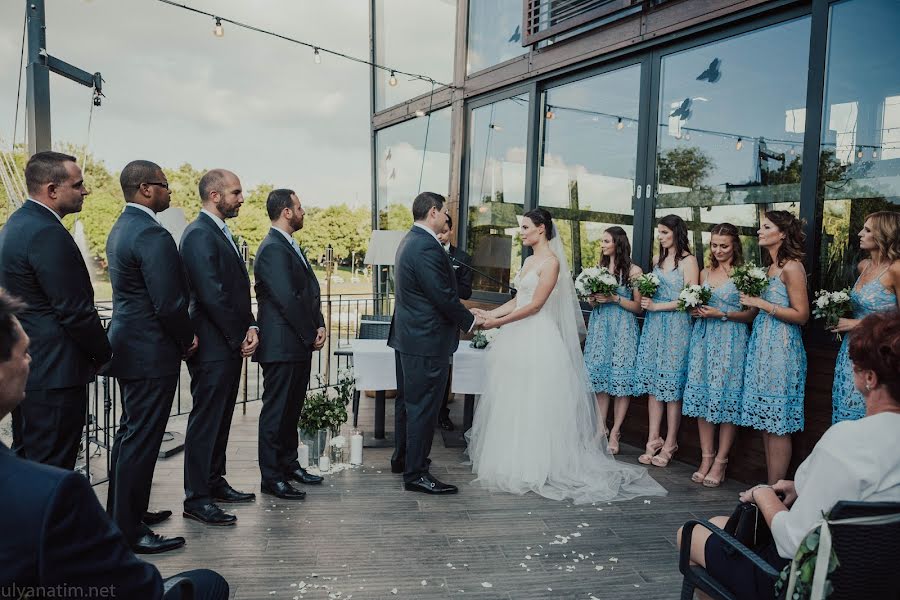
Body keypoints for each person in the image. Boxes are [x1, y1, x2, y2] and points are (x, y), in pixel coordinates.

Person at [0, 290, 229, 600]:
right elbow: (133, 589)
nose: (29, 361)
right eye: (25, 352)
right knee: (210, 583)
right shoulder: (54, 494)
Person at [679, 310, 900, 600]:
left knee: (689, 534)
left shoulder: (846, 440)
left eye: (854, 365)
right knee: (720, 526)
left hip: (805, 584)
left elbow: (793, 542)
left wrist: (763, 494)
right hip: (880, 582)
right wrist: (800, 487)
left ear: (869, 378)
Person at [466, 208, 666, 503]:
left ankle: (539, 465)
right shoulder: (530, 260)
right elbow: (517, 300)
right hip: (517, 337)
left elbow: (534, 306)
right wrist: (488, 313)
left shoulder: (552, 263)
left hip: (539, 337)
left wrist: (495, 323)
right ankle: (512, 461)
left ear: (541, 229)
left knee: (537, 401)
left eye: (524, 227)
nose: (520, 232)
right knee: (515, 398)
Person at [104, 160, 197, 554]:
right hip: (150, 349)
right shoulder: (151, 234)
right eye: (164, 184)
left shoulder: (121, 227)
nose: (170, 190)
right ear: (145, 189)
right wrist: (187, 337)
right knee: (142, 438)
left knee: (130, 434)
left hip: (129, 346)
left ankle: (125, 514)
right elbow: (169, 302)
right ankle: (128, 531)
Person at [0, 151, 111, 469]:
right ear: (51, 189)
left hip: (32, 370)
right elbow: (75, 311)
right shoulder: (47, 233)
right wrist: (104, 354)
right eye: (78, 185)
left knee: (28, 463)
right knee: (53, 466)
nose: (85, 191)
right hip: (55, 375)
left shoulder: (16, 225)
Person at [180, 169, 258, 525]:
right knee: (206, 420)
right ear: (214, 195)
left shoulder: (220, 232)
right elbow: (212, 294)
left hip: (225, 341)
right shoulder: (198, 234)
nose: (241, 198)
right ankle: (196, 498)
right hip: (212, 344)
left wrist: (251, 324)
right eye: (236, 192)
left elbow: (238, 290)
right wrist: (238, 333)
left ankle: (213, 481)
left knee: (222, 417)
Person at [388, 192, 481, 495]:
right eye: (443, 212)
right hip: (425, 341)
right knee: (422, 408)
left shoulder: (410, 240)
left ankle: (405, 459)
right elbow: (442, 295)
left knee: (409, 404)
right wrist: (470, 321)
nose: (445, 218)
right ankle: (416, 474)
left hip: (410, 338)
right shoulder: (426, 246)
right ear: (432, 212)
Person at [253, 189, 326, 500]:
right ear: (286, 211)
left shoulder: (290, 246)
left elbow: (308, 291)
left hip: (297, 343)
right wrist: (310, 333)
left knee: (292, 410)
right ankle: (271, 476)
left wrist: (320, 322)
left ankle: (289, 464)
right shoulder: (271, 249)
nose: (303, 211)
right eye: (299, 207)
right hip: (282, 344)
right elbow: (287, 299)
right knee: (276, 412)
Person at [682, 223, 756, 487]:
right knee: (703, 397)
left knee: (726, 399)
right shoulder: (704, 272)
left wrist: (722, 314)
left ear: (735, 245)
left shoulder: (744, 274)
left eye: (724, 245)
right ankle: (706, 456)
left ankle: (721, 461)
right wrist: (695, 309)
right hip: (703, 339)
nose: (718, 250)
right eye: (714, 245)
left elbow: (751, 314)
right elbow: (697, 302)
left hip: (731, 340)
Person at [738, 210, 809, 484]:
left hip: (782, 348)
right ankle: (769, 487)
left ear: (781, 233)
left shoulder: (792, 267)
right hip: (761, 346)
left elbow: (801, 315)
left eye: (765, 226)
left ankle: (775, 492)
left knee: (778, 424)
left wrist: (762, 303)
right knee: (767, 421)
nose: (759, 231)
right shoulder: (770, 268)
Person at [632, 214, 700, 467]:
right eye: (658, 233)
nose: (660, 237)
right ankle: (653, 438)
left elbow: (690, 298)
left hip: (677, 327)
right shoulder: (656, 260)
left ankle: (670, 442)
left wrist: (658, 306)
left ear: (676, 233)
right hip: (654, 327)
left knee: (671, 387)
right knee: (653, 384)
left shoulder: (688, 261)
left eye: (664, 233)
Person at [830, 211, 900, 423]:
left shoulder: (896, 269)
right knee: (845, 413)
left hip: (880, 352)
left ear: (884, 235)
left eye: (867, 230)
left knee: (869, 417)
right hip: (851, 350)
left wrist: (857, 323)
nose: (860, 233)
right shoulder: (864, 266)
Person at [583, 226, 644, 455]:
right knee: (599, 380)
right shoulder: (598, 269)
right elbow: (592, 304)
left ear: (618, 243)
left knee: (620, 382)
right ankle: (600, 428)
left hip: (623, 328)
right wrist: (594, 299)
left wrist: (614, 297)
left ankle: (616, 431)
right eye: (602, 240)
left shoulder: (634, 271)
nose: (603, 244)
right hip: (600, 327)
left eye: (606, 240)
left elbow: (638, 307)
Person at [435, 213, 472, 432]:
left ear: (450, 231)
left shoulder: (462, 258)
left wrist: (444, 284)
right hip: (429, 320)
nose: (440, 235)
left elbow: (466, 291)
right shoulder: (427, 251)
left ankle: (442, 414)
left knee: (445, 369)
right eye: (438, 232)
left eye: (444, 231)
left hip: (450, 321)